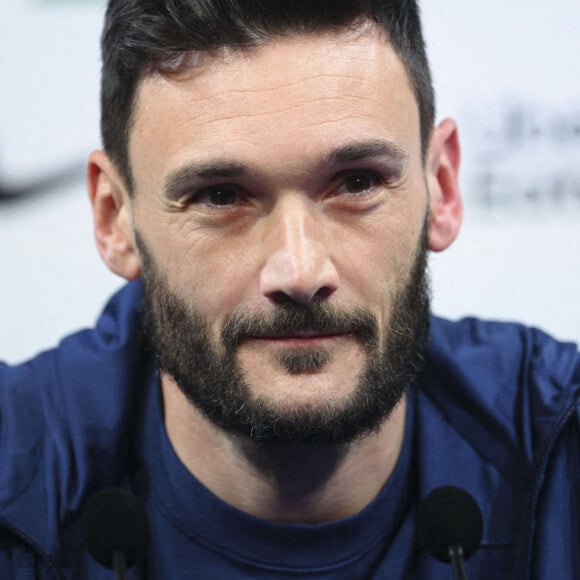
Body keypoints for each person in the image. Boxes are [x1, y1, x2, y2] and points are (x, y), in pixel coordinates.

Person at [0, 1, 578, 578]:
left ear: (442, 188)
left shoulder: (560, 446)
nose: (300, 273)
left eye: (357, 183)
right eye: (221, 196)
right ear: (114, 218)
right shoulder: (16, 475)